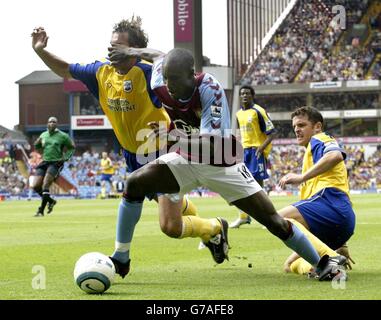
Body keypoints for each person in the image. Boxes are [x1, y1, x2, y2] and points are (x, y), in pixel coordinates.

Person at [108, 46, 347, 281]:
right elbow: (159, 55)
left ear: (192, 74)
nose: (170, 85)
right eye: (168, 78)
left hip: (221, 162)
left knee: (273, 221)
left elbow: (209, 146)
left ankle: (322, 263)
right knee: (134, 183)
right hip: (184, 158)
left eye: (176, 79)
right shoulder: (160, 81)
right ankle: (120, 257)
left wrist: (170, 137)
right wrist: (131, 51)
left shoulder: (210, 89)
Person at [31, 17, 211, 272]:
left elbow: (168, 59)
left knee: (169, 225)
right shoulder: (100, 72)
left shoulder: (149, 73)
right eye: (111, 44)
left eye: (119, 46)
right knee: (165, 206)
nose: (111, 49)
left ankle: (212, 228)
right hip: (132, 154)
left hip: (164, 150)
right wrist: (40, 50)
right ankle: (208, 233)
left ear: (134, 51)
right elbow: (64, 69)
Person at [278, 106, 356, 276]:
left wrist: (300, 177)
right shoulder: (311, 154)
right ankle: (326, 266)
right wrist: (342, 244)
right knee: (291, 264)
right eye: (294, 127)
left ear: (317, 127)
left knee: (278, 218)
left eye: (301, 125)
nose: (297, 130)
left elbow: (335, 156)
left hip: (331, 204)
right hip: (336, 224)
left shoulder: (320, 138)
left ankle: (332, 256)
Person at [229, 85, 276, 228]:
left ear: (252, 95)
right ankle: (243, 217)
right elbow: (242, 133)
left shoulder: (258, 111)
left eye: (247, 93)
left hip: (257, 151)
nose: (244, 96)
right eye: (242, 93)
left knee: (258, 186)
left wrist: (261, 148)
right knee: (241, 183)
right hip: (244, 151)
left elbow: (272, 132)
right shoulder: (238, 114)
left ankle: (270, 219)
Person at [32, 117, 75, 216]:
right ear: (47, 124)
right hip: (45, 162)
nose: (52, 123)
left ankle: (41, 211)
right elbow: (37, 146)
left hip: (56, 162)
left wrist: (65, 157)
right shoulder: (43, 135)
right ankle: (51, 201)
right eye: (50, 122)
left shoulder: (63, 136)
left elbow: (71, 148)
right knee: (35, 186)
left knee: (45, 184)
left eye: (54, 122)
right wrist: (37, 145)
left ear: (57, 124)